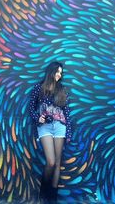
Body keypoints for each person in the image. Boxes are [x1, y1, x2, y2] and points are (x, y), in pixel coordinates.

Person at [29, 61, 72, 203]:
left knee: (58, 163)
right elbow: (31, 108)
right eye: (57, 72)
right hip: (45, 127)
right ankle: (43, 193)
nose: (59, 75)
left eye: (61, 73)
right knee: (51, 162)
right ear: (51, 72)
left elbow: (67, 113)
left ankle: (52, 197)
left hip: (60, 126)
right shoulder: (38, 88)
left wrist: (69, 133)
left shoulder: (62, 90)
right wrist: (37, 117)